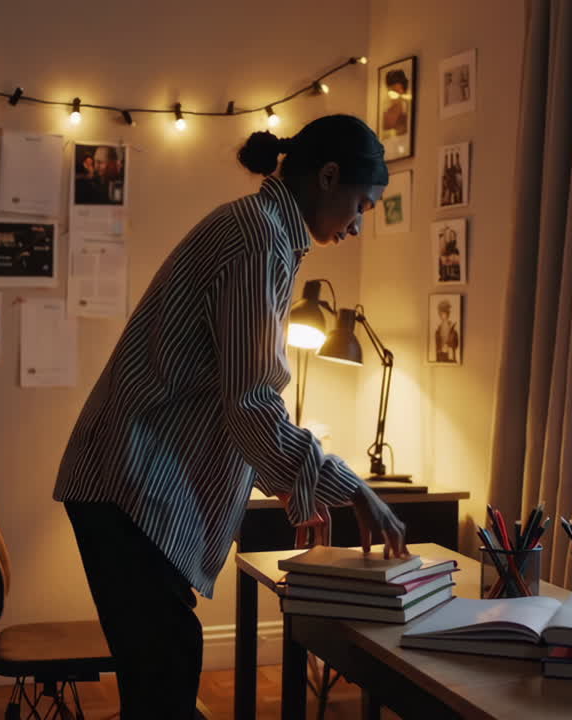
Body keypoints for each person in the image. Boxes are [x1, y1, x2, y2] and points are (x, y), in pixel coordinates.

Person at [54, 114, 408, 719]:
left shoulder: (263, 231)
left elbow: (235, 397)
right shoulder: (259, 237)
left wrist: (306, 487)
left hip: (122, 481)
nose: (357, 224)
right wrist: (353, 490)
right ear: (328, 177)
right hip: (127, 483)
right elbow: (249, 404)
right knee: (165, 684)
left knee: (162, 684)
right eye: (362, 205)